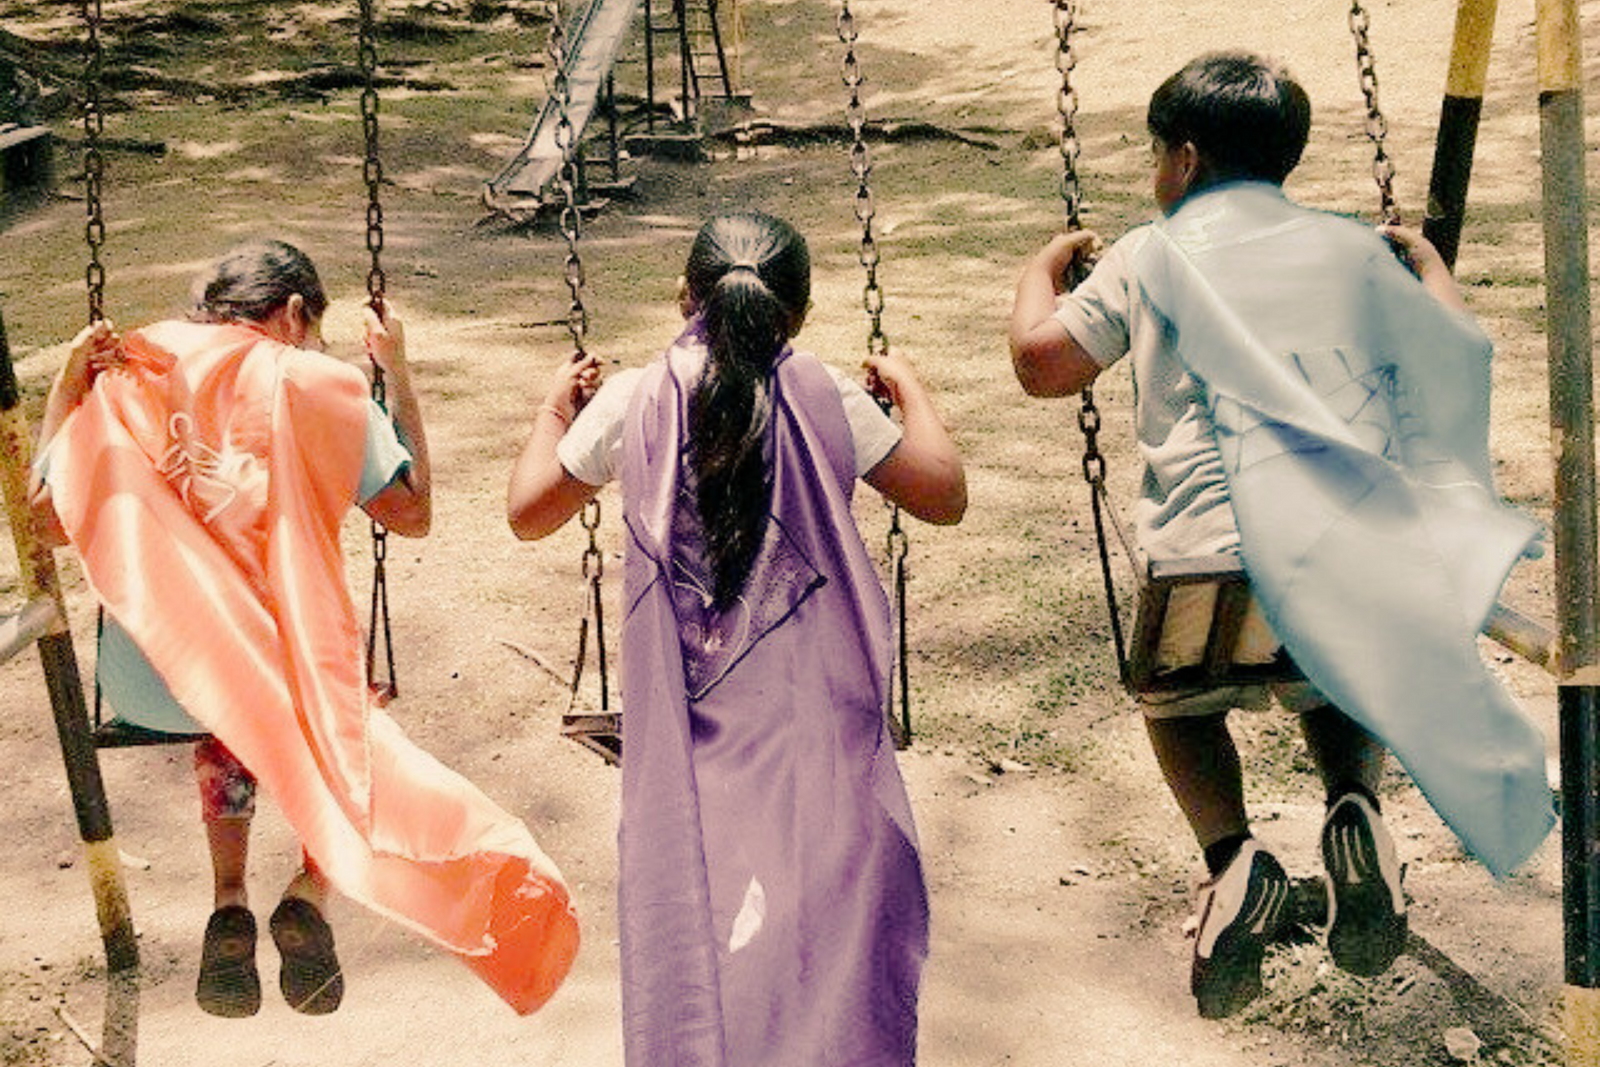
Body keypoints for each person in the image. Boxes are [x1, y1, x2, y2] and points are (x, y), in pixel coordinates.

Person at [1008, 52, 1552, 1019]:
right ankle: (1355, 807)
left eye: (1156, 157)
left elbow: (1042, 366)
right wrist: (1429, 270)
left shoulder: (1148, 255)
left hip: (1202, 562)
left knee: (1175, 701)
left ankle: (1233, 859)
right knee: (1334, 671)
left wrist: (1039, 274)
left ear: (1184, 159)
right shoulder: (1349, 250)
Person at [32, 239, 578, 1019]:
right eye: (315, 329)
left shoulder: (129, 370)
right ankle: (311, 890)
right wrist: (394, 372)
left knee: (233, 682)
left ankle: (229, 897)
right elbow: (412, 511)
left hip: (146, 677)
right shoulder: (316, 383)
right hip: (275, 681)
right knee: (327, 699)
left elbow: (44, 521)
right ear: (293, 313)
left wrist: (66, 388)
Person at [509, 211, 965, 1066]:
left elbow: (528, 510)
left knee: (701, 902)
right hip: (813, 713)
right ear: (799, 312)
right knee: (826, 908)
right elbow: (944, 492)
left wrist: (550, 412)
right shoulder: (829, 395)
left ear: (684, 296)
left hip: (689, 720)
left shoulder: (635, 399)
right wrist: (912, 394)